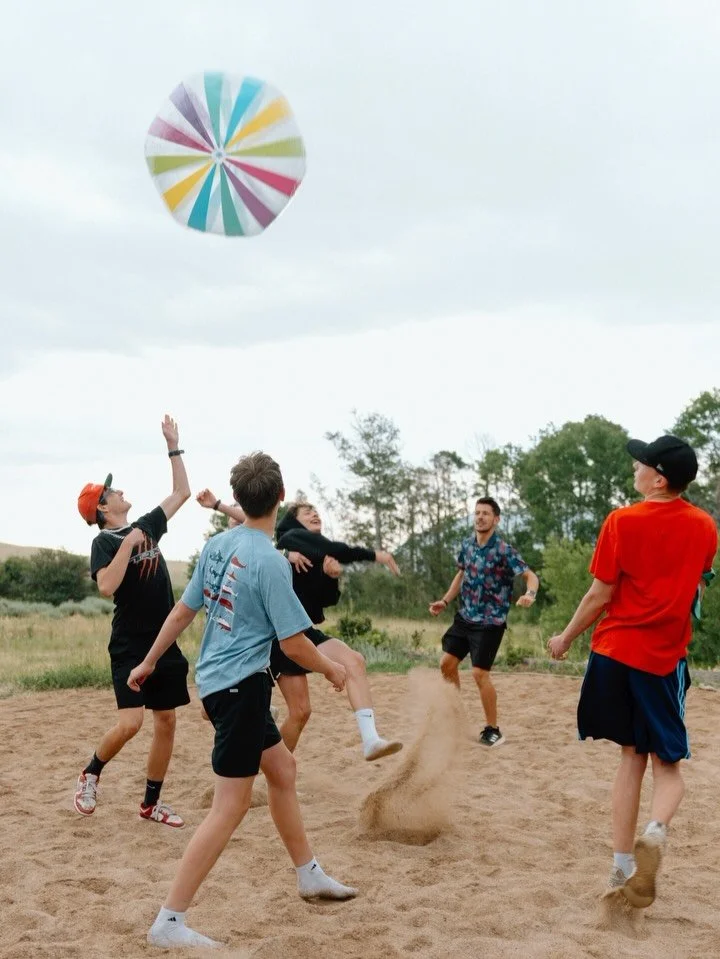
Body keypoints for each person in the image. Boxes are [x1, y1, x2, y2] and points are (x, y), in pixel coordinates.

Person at [128, 452, 357, 950]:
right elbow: (294, 644)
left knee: (283, 770)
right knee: (228, 808)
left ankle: (308, 873)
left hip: (219, 684)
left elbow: (182, 612)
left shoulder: (218, 545)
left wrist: (148, 660)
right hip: (239, 691)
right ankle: (169, 920)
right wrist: (332, 668)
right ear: (281, 497)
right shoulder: (271, 562)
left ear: (238, 497)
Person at [547, 435, 717, 907]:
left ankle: (622, 865)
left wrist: (565, 637)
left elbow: (600, 594)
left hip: (615, 654)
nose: (635, 468)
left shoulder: (620, 521)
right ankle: (655, 831)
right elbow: (698, 589)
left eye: (641, 464)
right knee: (668, 765)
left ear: (659, 479)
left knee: (630, 757)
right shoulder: (706, 527)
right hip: (662, 660)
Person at [199, 493, 403, 761]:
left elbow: (324, 601)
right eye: (307, 513)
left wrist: (330, 577)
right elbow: (254, 520)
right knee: (299, 710)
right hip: (279, 636)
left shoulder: (316, 553)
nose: (315, 515)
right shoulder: (290, 538)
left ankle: (371, 740)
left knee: (350, 664)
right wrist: (377, 555)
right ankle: (271, 763)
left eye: (316, 512)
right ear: (293, 521)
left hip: (304, 631)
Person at [73, 416, 191, 827]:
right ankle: (91, 773)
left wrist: (173, 446)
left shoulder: (147, 525)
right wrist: (129, 544)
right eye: (112, 492)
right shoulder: (103, 542)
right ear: (103, 509)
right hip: (130, 643)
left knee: (167, 720)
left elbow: (182, 492)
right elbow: (107, 586)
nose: (120, 491)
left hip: (164, 640)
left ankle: (150, 804)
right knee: (131, 723)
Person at [430, 497, 539, 747]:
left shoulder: (503, 550)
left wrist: (530, 594)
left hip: (491, 621)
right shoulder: (467, 545)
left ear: (496, 519)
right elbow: (461, 574)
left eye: (486, 513)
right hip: (466, 616)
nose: (480, 517)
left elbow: (530, 576)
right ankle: (456, 718)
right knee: (446, 664)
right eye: (477, 513)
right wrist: (445, 601)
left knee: (479, 673)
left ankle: (493, 730)